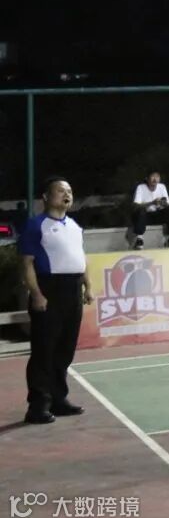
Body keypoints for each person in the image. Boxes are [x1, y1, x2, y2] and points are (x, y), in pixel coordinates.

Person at [19, 177, 93, 424]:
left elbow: (81, 258)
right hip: (49, 290)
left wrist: (88, 286)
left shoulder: (74, 226)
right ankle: (38, 406)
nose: (67, 194)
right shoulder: (36, 225)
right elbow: (27, 263)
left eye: (69, 191)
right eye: (61, 191)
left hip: (73, 291)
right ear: (46, 197)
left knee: (65, 349)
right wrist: (37, 294)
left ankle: (59, 399)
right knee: (44, 351)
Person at [131, 170, 169, 249]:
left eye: (157, 176)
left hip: (158, 215)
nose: (155, 179)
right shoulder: (141, 187)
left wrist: (163, 203)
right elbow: (136, 206)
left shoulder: (162, 187)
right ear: (147, 178)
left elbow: (168, 204)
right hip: (146, 217)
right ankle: (139, 239)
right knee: (141, 211)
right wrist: (152, 203)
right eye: (153, 176)